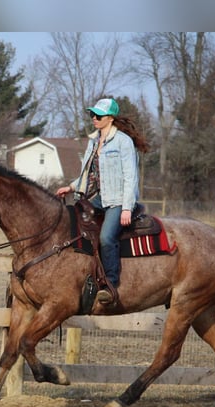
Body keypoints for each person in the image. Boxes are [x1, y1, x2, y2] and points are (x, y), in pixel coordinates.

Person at [56, 97, 150, 305]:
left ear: (110, 118)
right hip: (96, 197)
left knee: (107, 238)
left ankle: (110, 284)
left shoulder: (123, 142)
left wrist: (126, 208)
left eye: (98, 115)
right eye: (92, 114)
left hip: (117, 200)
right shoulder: (93, 141)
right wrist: (70, 187)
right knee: (71, 225)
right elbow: (87, 173)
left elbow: (131, 177)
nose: (94, 118)